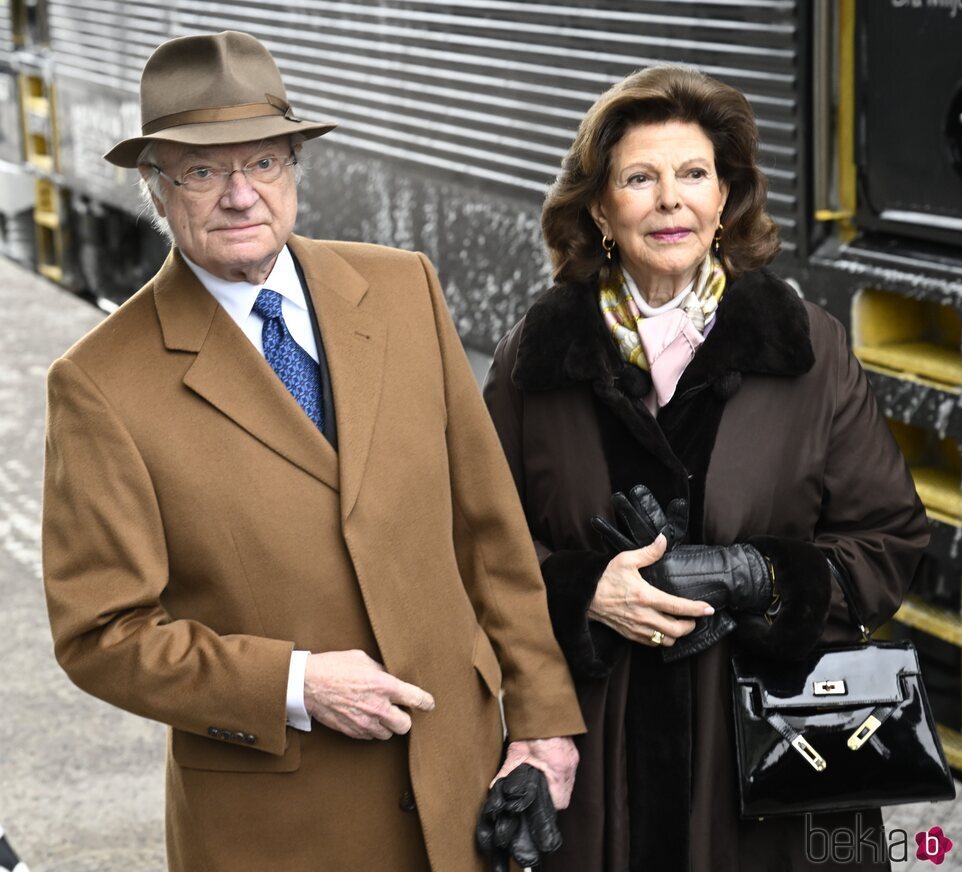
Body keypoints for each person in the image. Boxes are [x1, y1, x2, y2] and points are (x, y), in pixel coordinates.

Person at [41, 31, 584, 872]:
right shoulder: (101, 382)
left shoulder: (403, 288)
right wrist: (293, 685)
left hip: (461, 790)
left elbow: (490, 533)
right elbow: (101, 634)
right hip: (277, 830)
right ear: (155, 188)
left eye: (262, 161)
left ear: (296, 165)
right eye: (201, 170)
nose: (238, 195)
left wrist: (545, 719)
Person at [483, 64, 929, 871]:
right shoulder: (535, 360)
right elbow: (475, 544)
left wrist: (754, 574)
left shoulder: (806, 346)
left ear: (725, 199)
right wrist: (586, 590)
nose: (669, 199)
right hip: (598, 755)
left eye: (694, 174)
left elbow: (890, 537)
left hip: (772, 750)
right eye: (639, 178)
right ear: (598, 208)